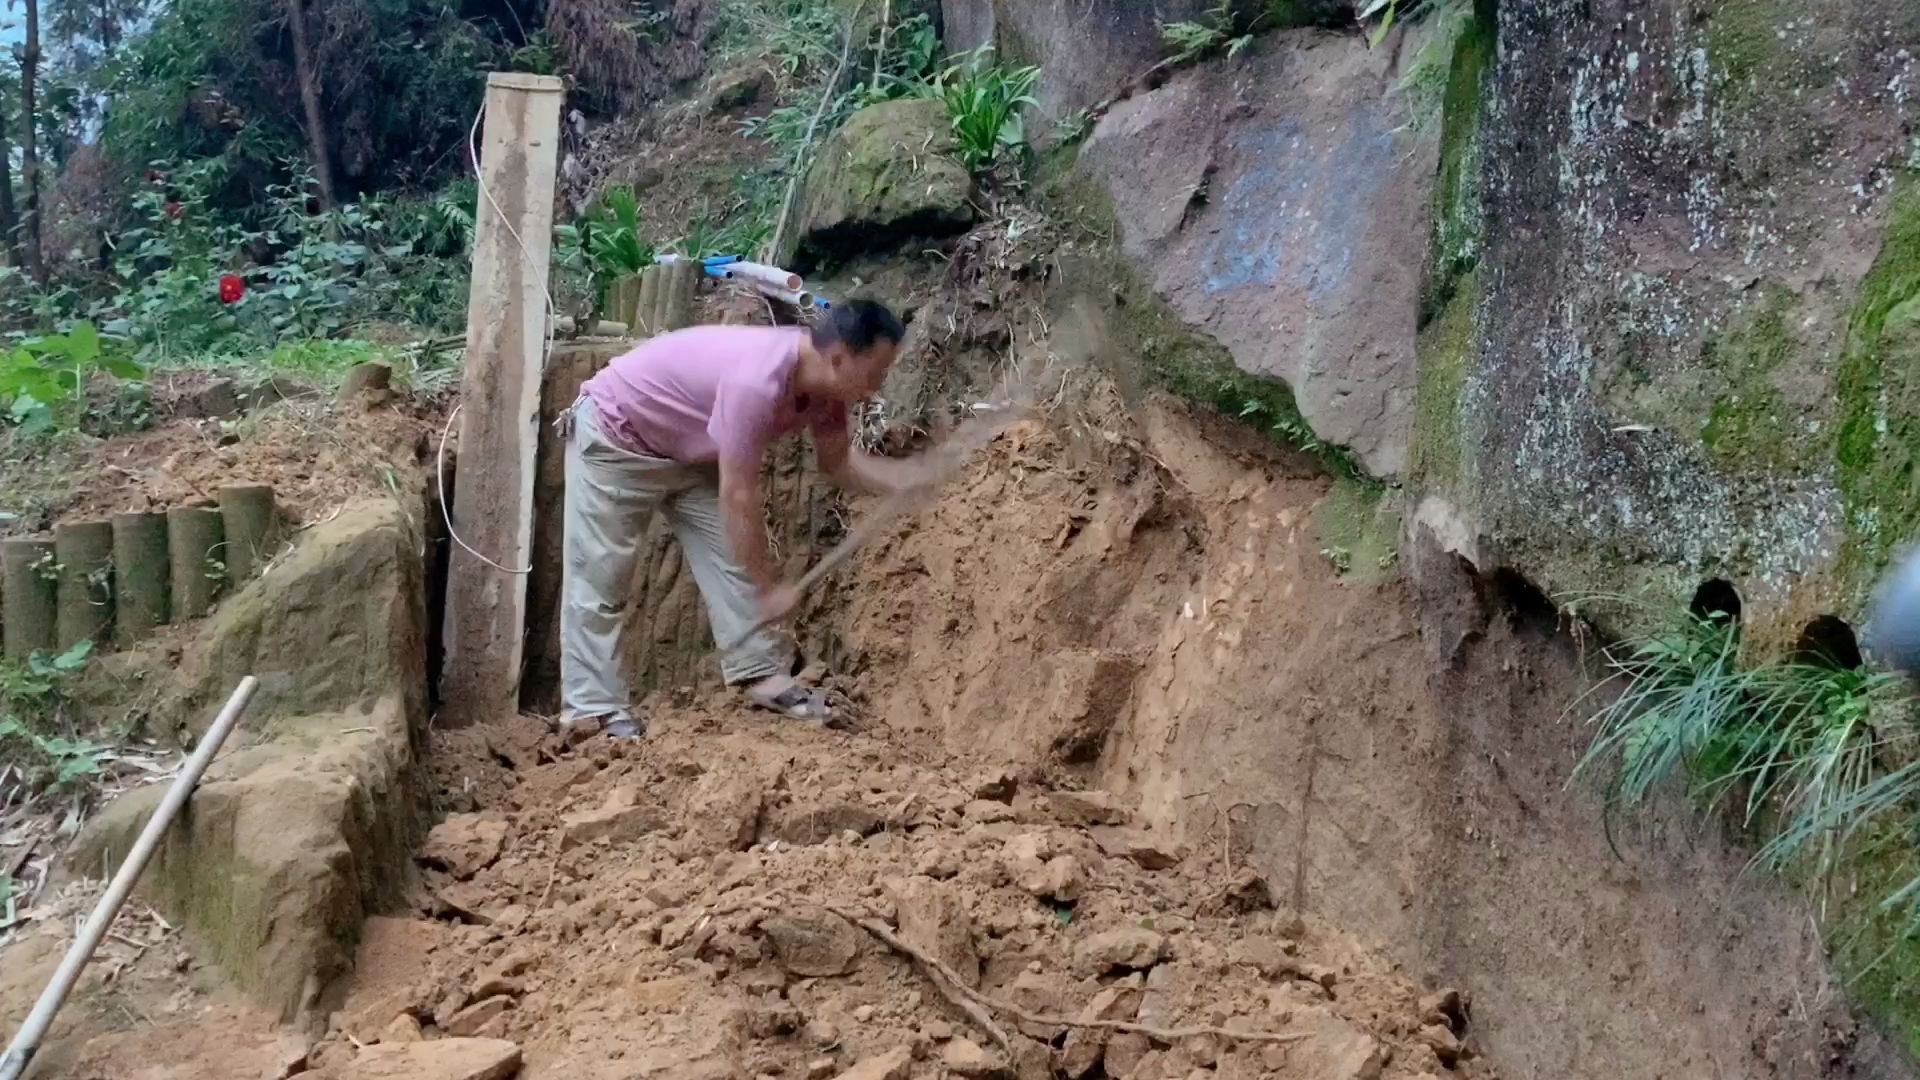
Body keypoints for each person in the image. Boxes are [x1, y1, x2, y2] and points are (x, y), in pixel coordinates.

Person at [556, 299, 924, 738]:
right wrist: (768, 590)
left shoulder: (827, 391)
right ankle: (591, 709)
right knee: (600, 577)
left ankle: (761, 674)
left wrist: (903, 480)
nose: (877, 388)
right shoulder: (757, 381)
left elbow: (838, 464)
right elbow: (739, 493)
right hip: (617, 435)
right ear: (841, 357)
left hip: (687, 449)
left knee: (731, 560)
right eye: (876, 373)